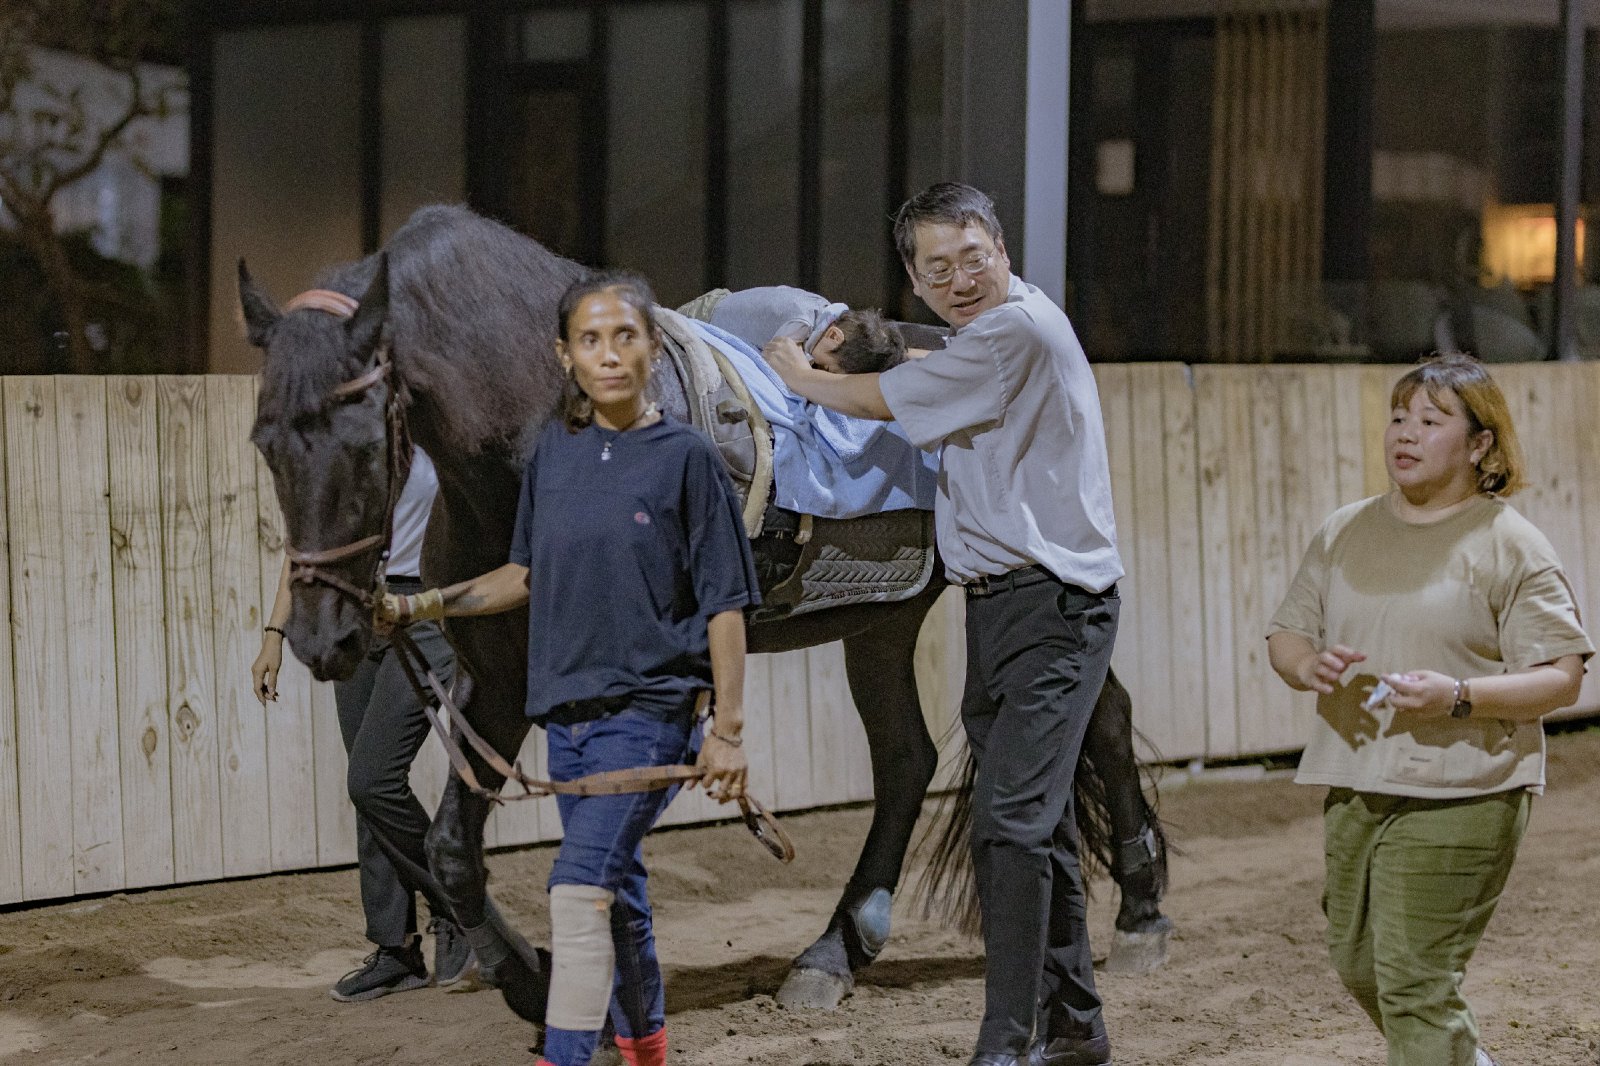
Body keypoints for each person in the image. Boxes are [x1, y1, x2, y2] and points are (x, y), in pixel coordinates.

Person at [762, 181, 1123, 1066]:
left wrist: (797, 375)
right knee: (1042, 828)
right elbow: (927, 373)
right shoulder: (992, 334)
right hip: (1001, 607)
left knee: (1007, 827)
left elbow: (880, 400)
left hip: (1050, 608)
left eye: (973, 259)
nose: (960, 280)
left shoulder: (1013, 334)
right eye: (938, 269)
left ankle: (1004, 1044)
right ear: (916, 283)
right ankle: (1074, 1025)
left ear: (1002, 251)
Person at [378, 270, 760, 1066]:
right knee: (619, 897)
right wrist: (417, 606)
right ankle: (646, 1048)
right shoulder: (553, 454)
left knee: (577, 890)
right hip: (570, 724)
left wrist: (726, 730)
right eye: (591, 340)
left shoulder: (688, 459)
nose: (609, 354)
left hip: (650, 718)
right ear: (565, 356)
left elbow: (726, 603)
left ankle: (566, 1054)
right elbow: (522, 576)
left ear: (653, 347)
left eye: (626, 336)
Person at [1266, 353, 1591, 1066]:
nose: (1405, 433)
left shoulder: (1511, 544)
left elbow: (1563, 678)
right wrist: (1305, 665)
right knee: (1359, 964)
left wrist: (1460, 696)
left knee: (1415, 980)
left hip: (1465, 790)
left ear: (1480, 444)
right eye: (1398, 417)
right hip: (1355, 780)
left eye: (1431, 420)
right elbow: (1287, 634)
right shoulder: (1345, 529)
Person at [251, 447, 474, 1002]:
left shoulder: (439, 438)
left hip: (425, 611)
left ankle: (456, 903)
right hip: (356, 610)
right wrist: (275, 633)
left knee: (371, 779)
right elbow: (304, 549)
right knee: (369, 793)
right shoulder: (346, 448)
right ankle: (396, 949)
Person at [707, 284, 907, 374]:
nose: (822, 369)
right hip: (706, 314)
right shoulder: (802, 324)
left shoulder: (821, 309)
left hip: (719, 299)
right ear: (834, 336)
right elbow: (776, 362)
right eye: (828, 368)